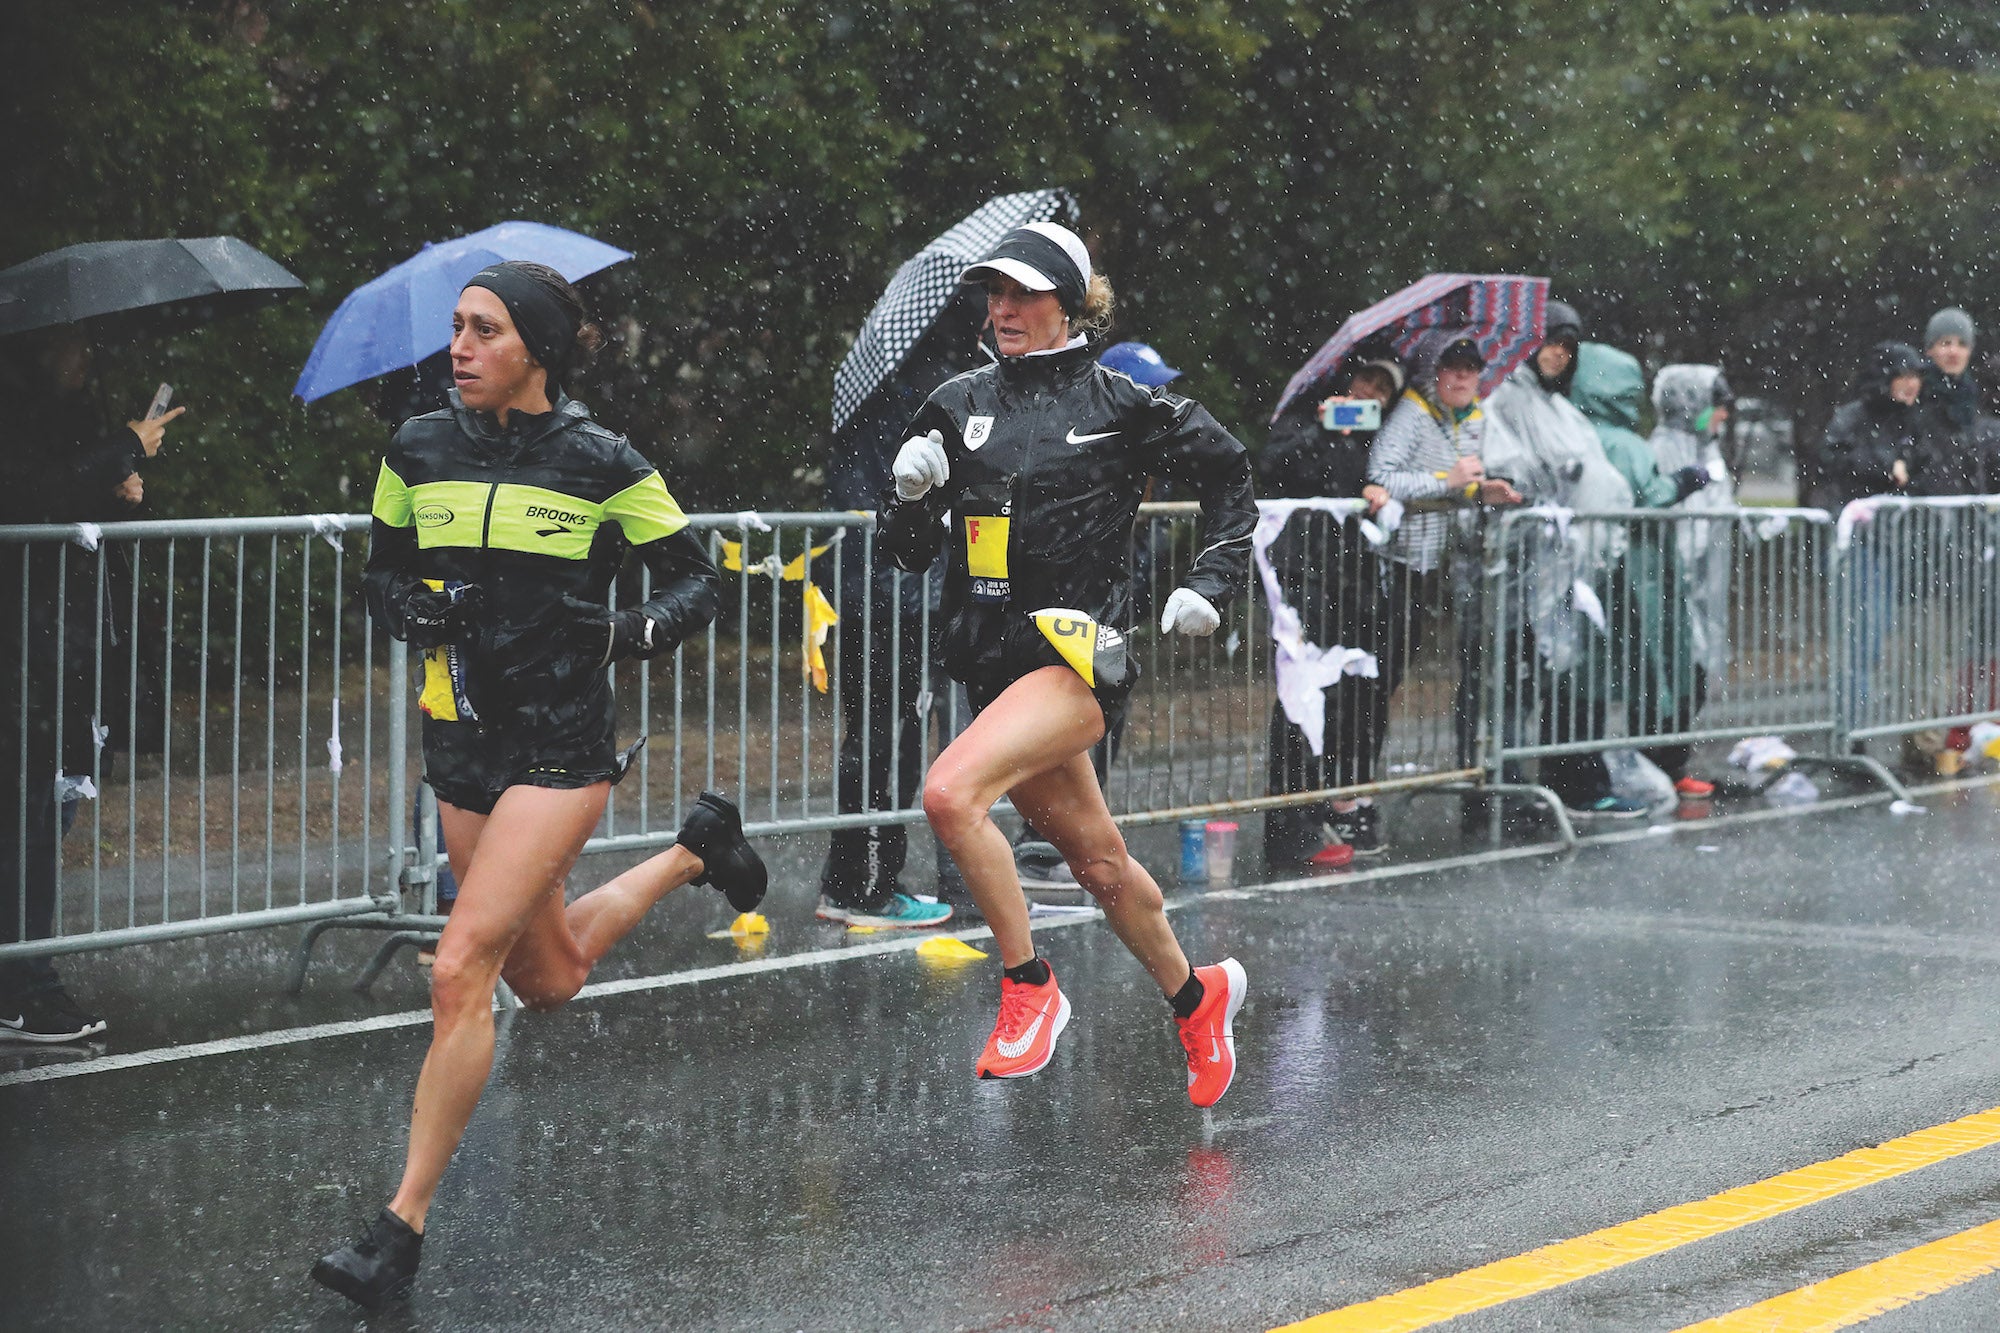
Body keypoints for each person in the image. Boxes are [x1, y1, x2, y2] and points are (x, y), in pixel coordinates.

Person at [312, 262, 768, 1309]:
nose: (459, 347)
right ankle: (698, 848)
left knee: (459, 965)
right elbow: (382, 572)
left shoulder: (599, 459)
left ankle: (399, 1231)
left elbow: (698, 576)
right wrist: (408, 610)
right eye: (457, 328)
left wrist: (626, 630)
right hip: (460, 738)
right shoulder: (415, 447)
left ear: (539, 350)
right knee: (548, 976)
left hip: (560, 748)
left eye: (484, 330)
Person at [878, 222, 1255, 1106]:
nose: (1003, 309)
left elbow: (1232, 476)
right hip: (993, 672)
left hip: (1081, 662)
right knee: (1099, 866)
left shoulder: (1122, 404)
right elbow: (904, 552)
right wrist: (908, 497)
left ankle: (1028, 986)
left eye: (1024, 294)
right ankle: (1199, 999)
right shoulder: (956, 402)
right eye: (994, 294)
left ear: (1070, 303)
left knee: (947, 794)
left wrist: (1212, 578)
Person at [0, 326, 182, 1042]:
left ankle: (22, 980)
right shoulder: (18, 410)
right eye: (72, 347)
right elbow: (32, 491)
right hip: (25, 651)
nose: (84, 359)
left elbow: (61, 494)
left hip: (55, 649)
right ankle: (28, 984)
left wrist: (118, 483)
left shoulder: (55, 418)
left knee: (41, 815)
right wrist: (127, 446)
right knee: (30, 819)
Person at [813, 290, 986, 930]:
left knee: (871, 737)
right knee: (893, 741)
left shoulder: (880, 389)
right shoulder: (938, 393)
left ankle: (853, 879)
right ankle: (867, 887)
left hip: (864, 586)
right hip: (901, 589)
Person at [1481, 302, 1646, 819]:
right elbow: (1510, 469)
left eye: (1568, 346)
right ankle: (1501, 791)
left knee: (1560, 680)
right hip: (1514, 571)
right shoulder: (1502, 398)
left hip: (1565, 572)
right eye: (1551, 341)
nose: (1558, 354)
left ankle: (1559, 782)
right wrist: (1557, 480)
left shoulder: (1558, 406)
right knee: (1506, 682)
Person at [1368, 327, 1524, 829]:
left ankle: (1364, 788)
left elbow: (1459, 488)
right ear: (1432, 373)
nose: (1462, 377)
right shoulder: (1414, 413)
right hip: (1395, 564)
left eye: (1471, 369)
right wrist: (1447, 482)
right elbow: (1380, 477)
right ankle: (1355, 790)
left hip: (1438, 569)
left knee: (1398, 672)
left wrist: (1482, 492)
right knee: (1378, 677)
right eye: (1452, 368)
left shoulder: (1471, 419)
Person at [1258, 347, 1402, 866]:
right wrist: (1322, 429)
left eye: (1384, 390)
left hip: (1346, 578)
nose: (1371, 395)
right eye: (1368, 380)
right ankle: (1289, 832)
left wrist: (1377, 489)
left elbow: (1360, 489)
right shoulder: (1302, 416)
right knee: (1298, 695)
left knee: (1338, 697)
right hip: (1297, 574)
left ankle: (1320, 814)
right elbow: (1274, 465)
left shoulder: (1375, 441)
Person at [1570, 341, 1715, 796]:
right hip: (1640, 575)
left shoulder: (1576, 432)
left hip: (1599, 572)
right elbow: (1649, 495)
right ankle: (1646, 765)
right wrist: (1686, 481)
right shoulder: (1624, 444)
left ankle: (1588, 774)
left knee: (1591, 678)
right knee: (1662, 667)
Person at [1649, 364, 1738, 750]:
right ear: (1693, 404)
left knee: (1696, 673)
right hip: (1672, 583)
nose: (1723, 415)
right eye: (1717, 405)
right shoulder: (1664, 449)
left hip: (1701, 585)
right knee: (1674, 673)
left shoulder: (1707, 449)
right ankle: (1662, 756)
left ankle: (1675, 756)